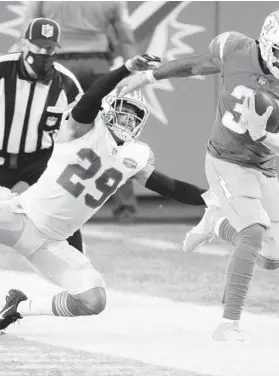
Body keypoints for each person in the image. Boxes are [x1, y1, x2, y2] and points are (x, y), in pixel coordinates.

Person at [117, 8, 279, 342]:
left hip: (263, 166)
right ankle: (228, 324)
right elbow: (195, 64)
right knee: (252, 233)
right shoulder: (235, 48)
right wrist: (148, 77)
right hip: (224, 159)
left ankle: (215, 224)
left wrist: (263, 135)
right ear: (265, 41)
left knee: (272, 258)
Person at [0, 53, 207, 331]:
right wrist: (126, 69)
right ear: (109, 108)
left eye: (135, 117)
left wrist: (213, 199)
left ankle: (17, 309)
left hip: (51, 243)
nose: (129, 120)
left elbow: (172, 187)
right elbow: (91, 97)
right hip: (20, 217)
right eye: (124, 111)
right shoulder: (82, 128)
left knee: (93, 300)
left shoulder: (135, 156)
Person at [19, 1, 139, 223]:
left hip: (57, 66)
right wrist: (134, 72)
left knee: (46, 132)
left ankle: (41, 203)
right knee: (113, 135)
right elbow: (126, 36)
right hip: (98, 66)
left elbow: (29, 29)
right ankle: (126, 208)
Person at [0, 17, 85, 252]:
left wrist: (28, 181)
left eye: (49, 48)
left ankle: (78, 280)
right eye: (37, 46)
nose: (43, 53)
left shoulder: (66, 84)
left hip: (38, 164)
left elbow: (77, 135)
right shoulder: (1, 69)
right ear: (24, 43)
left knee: (64, 217)